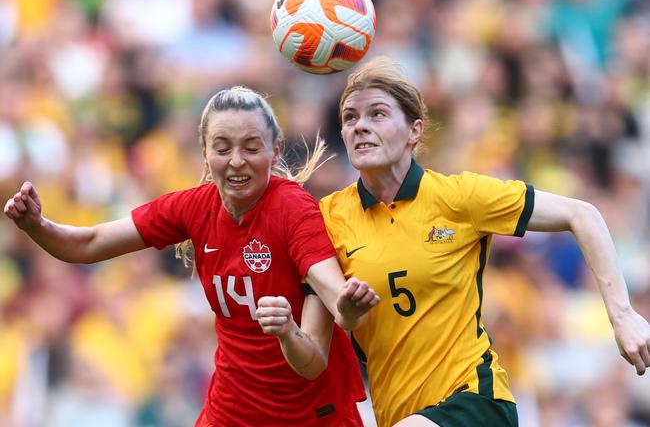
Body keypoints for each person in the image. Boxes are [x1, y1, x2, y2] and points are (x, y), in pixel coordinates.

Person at [4, 86, 379, 426]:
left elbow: (320, 340)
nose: (236, 161)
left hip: (312, 416)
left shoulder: (293, 209)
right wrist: (37, 225)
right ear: (204, 151)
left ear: (275, 150)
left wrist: (341, 308)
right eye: (222, 147)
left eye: (251, 147)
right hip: (232, 411)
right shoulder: (194, 207)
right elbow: (88, 244)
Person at [318, 57, 650, 427]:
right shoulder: (329, 217)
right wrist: (340, 313)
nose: (360, 126)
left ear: (414, 131)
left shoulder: (459, 197)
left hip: (476, 401)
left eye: (377, 114)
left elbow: (582, 215)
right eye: (349, 118)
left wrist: (623, 316)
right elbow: (333, 319)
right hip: (397, 411)